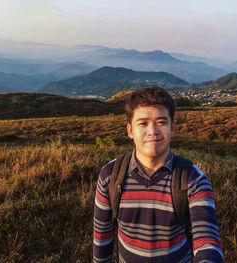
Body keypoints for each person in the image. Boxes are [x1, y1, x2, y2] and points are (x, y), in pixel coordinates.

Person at [93, 86, 223, 263]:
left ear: (172, 128)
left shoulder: (193, 179)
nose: (152, 131)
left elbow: (207, 240)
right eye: (143, 123)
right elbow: (102, 237)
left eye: (161, 122)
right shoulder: (110, 176)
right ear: (130, 130)